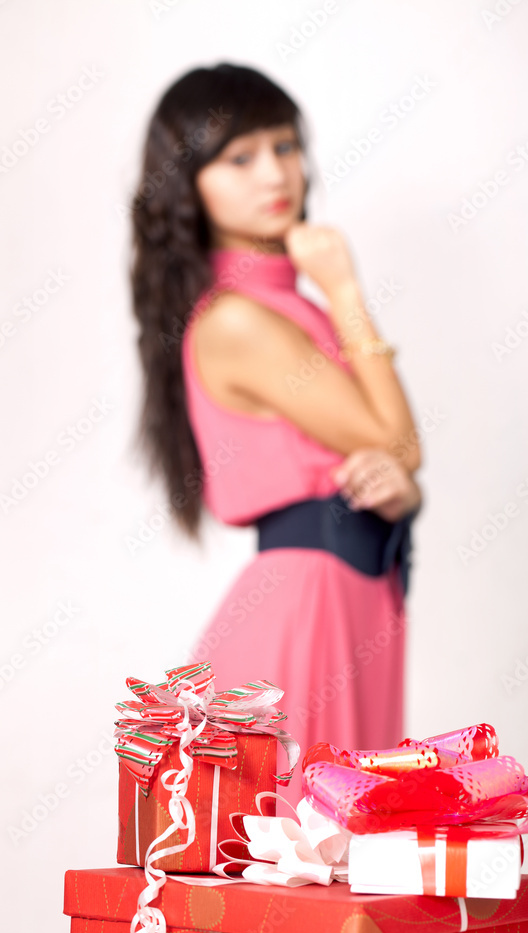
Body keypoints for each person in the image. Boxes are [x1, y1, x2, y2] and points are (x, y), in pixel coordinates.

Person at [130, 62, 423, 808]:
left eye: (286, 146)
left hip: (355, 598)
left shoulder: (284, 306)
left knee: (339, 853)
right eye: (240, 156)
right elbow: (401, 444)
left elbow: (392, 461)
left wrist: (399, 491)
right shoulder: (238, 320)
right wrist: (345, 288)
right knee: (304, 849)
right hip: (308, 609)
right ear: (188, 181)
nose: (276, 173)